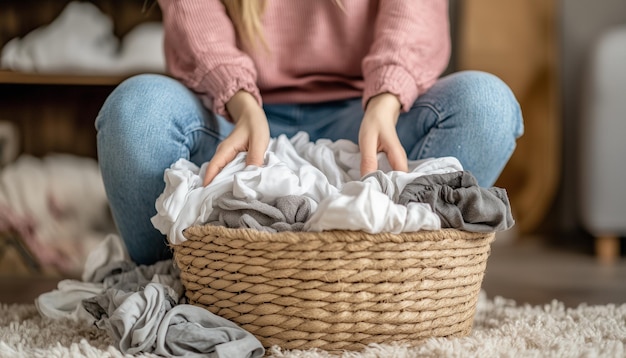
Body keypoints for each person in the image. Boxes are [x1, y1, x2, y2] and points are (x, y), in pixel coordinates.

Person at [95, 0, 523, 265]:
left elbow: (414, 14)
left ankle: (395, 272)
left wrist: (387, 98)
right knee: (136, 115)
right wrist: (240, 100)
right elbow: (198, 21)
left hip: (366, 117)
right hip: (236, 118)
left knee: (488, 106)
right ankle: (168, 279)